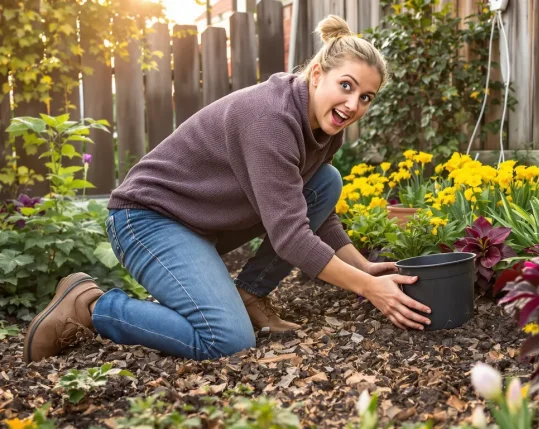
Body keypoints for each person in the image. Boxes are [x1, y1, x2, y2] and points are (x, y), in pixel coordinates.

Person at [23, 15, 432, 363]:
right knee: (227, 340)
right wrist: (368, 288)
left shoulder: (324, 128)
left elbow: (313, 210)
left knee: (326, 182)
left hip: (200, 223)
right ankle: (93, 306)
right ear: (318, 74)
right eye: (347, 86)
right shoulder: (270, 119)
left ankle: (248, 296)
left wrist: (362, 266)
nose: (354, 105)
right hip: (147, 220)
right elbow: (291, 236)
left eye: (366, 97)